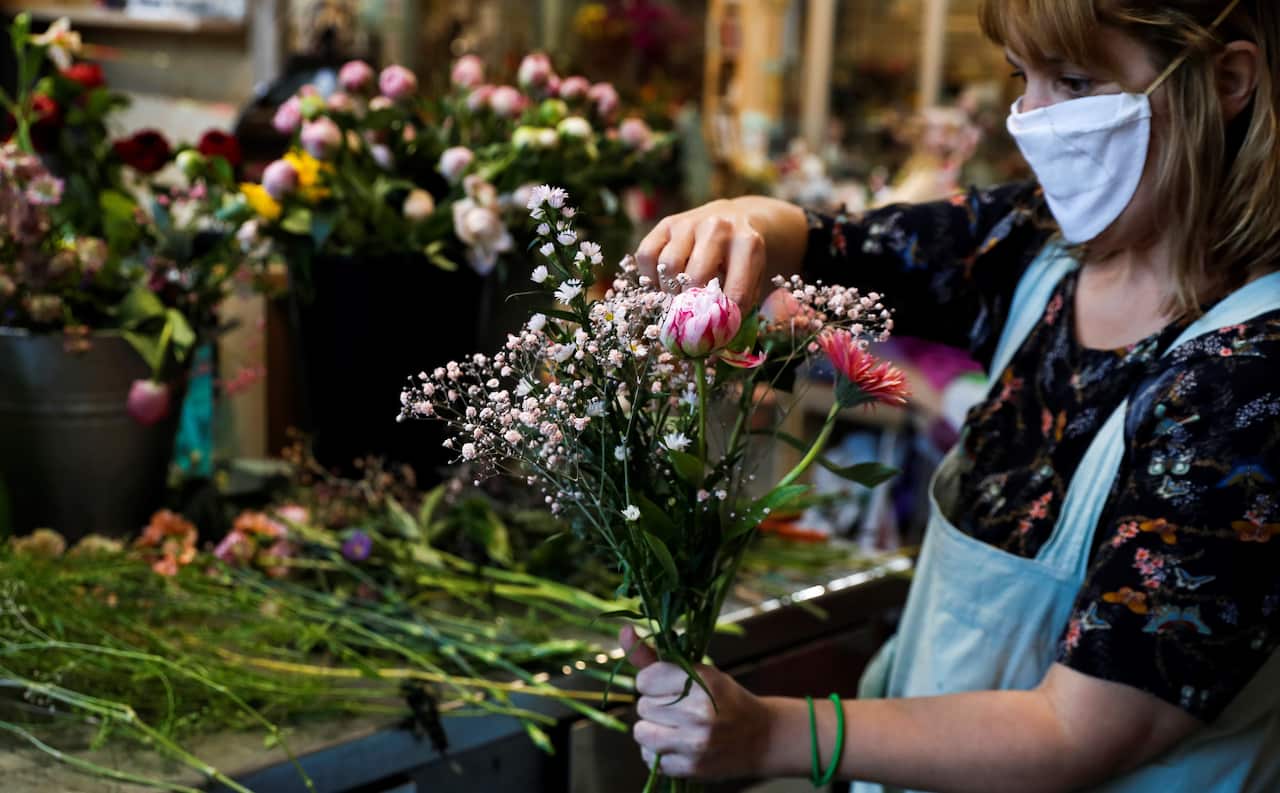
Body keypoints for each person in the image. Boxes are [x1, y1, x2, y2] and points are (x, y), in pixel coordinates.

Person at [621, 1, 1280, 791]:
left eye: (1073, 81)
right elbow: (847, 246)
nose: (1031, 120)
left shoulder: (1250, 376)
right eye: (1020, 78)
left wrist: (772, 734)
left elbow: (1080, 731)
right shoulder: (1036, 247)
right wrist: (745, 221)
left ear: (1227, 79)